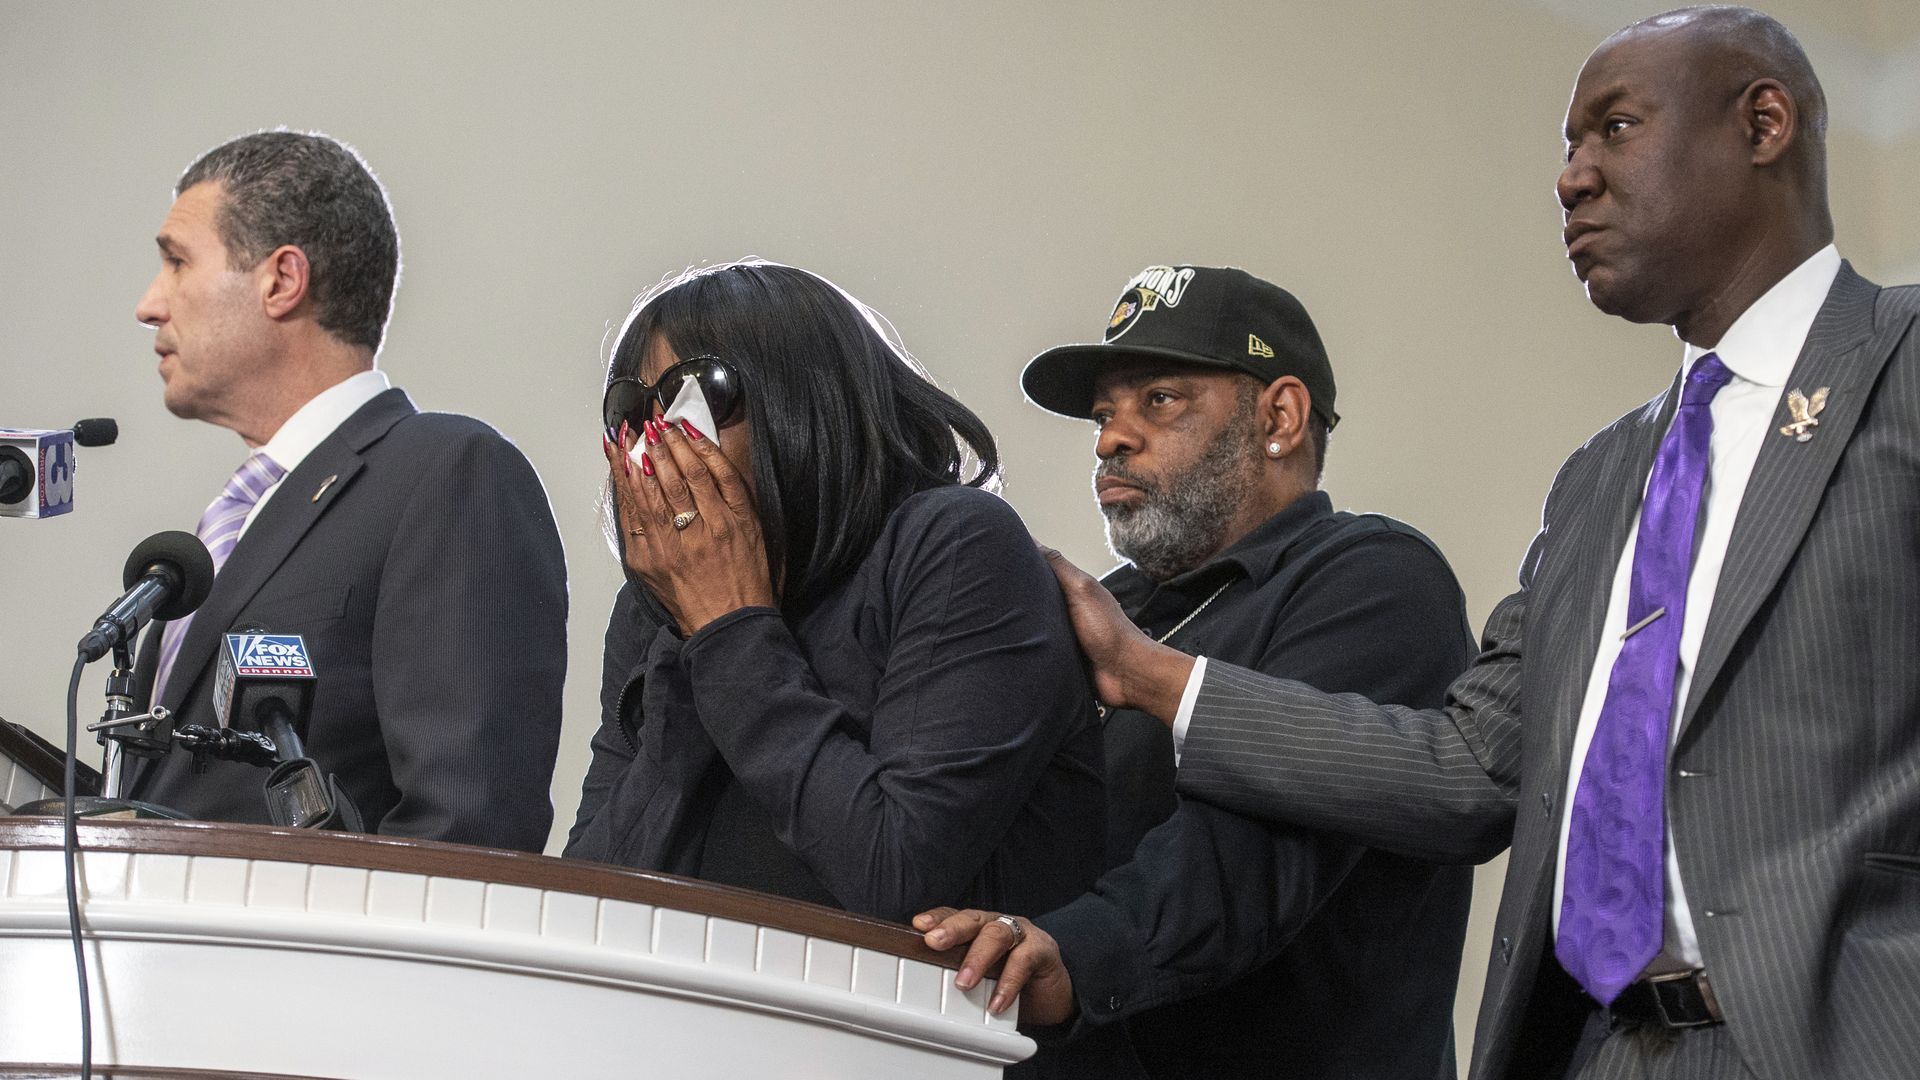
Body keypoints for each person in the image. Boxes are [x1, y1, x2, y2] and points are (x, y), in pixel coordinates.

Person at [926, 8, 1920, 1079]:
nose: (1570, 178)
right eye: (1565, 148)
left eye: (1613, 130)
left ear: (1762, 123)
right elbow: (1469, 767)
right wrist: (1152, 677)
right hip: (1597, 1045)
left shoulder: (1902, 369)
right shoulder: (1602, 478)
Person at [924, 264, 1479, 1078]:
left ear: (1279, 417)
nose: (1112, 436)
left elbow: (1246, 859)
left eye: (1160, 400)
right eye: (1104, 414)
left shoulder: (1374, 581)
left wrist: (1071, 953)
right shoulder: (1109, 607)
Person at [564, 261, 1105, 930]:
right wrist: (690, 637)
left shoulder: (954, 545)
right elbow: (587, 899)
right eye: (632, 415)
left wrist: (731, 628)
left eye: (690, 399)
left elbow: (892, 879)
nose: (656, 447)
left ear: (804, 398)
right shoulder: (651, 611)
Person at [124, 130, 567, 852]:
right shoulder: (228, 523)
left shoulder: (447, 473)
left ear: (281, 280)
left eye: (176, 262)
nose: (149, 304)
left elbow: (468, 827)